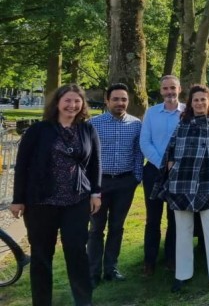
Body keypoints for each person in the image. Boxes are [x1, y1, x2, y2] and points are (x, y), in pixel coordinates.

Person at [10, 84, 102, 306]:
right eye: (68, 100)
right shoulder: (38, 130)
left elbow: (95, 164)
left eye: (77, 101)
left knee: (77, 252)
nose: (72, 105)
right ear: (58, 103)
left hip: (76, 201)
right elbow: (22, 166)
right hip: (42, 201)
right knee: (42, 256)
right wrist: (17, 199)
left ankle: (83, 301)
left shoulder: (87, 130)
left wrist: (96, 192)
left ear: (82, 104)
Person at [152, 84, 209, 297]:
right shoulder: (182, 124)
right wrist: (171, 165)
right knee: (182, 231)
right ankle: (182, 275)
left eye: (203, 99)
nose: (200, 103)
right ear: (190, 104)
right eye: (195, 100)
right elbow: (170, 151)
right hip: (182, 184)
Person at [88, 83, 143, 287]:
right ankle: (93, 272)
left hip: (125, 183)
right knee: (95, 229)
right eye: (116, 99)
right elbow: (88, 156)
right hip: (100, 184)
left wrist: (136, 177)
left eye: (124, 99)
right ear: (107, 101)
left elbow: (139, 152)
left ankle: (111, 268)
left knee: (117, 227)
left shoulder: (136, 124)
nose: (120, 103)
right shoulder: (94, 124)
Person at [139, 75, 184, 276]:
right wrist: (162, 163)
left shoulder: (187, 113)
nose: (169, 92)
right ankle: (149, 260)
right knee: (153, 218)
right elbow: (144, 142)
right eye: (165, 88)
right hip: (154, 171)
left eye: (172, 88)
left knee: (175, 218)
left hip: (179, 172)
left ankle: (171, 259)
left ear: (179, 89)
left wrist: (174, 165)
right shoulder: (151, 113)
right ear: (161, 91)